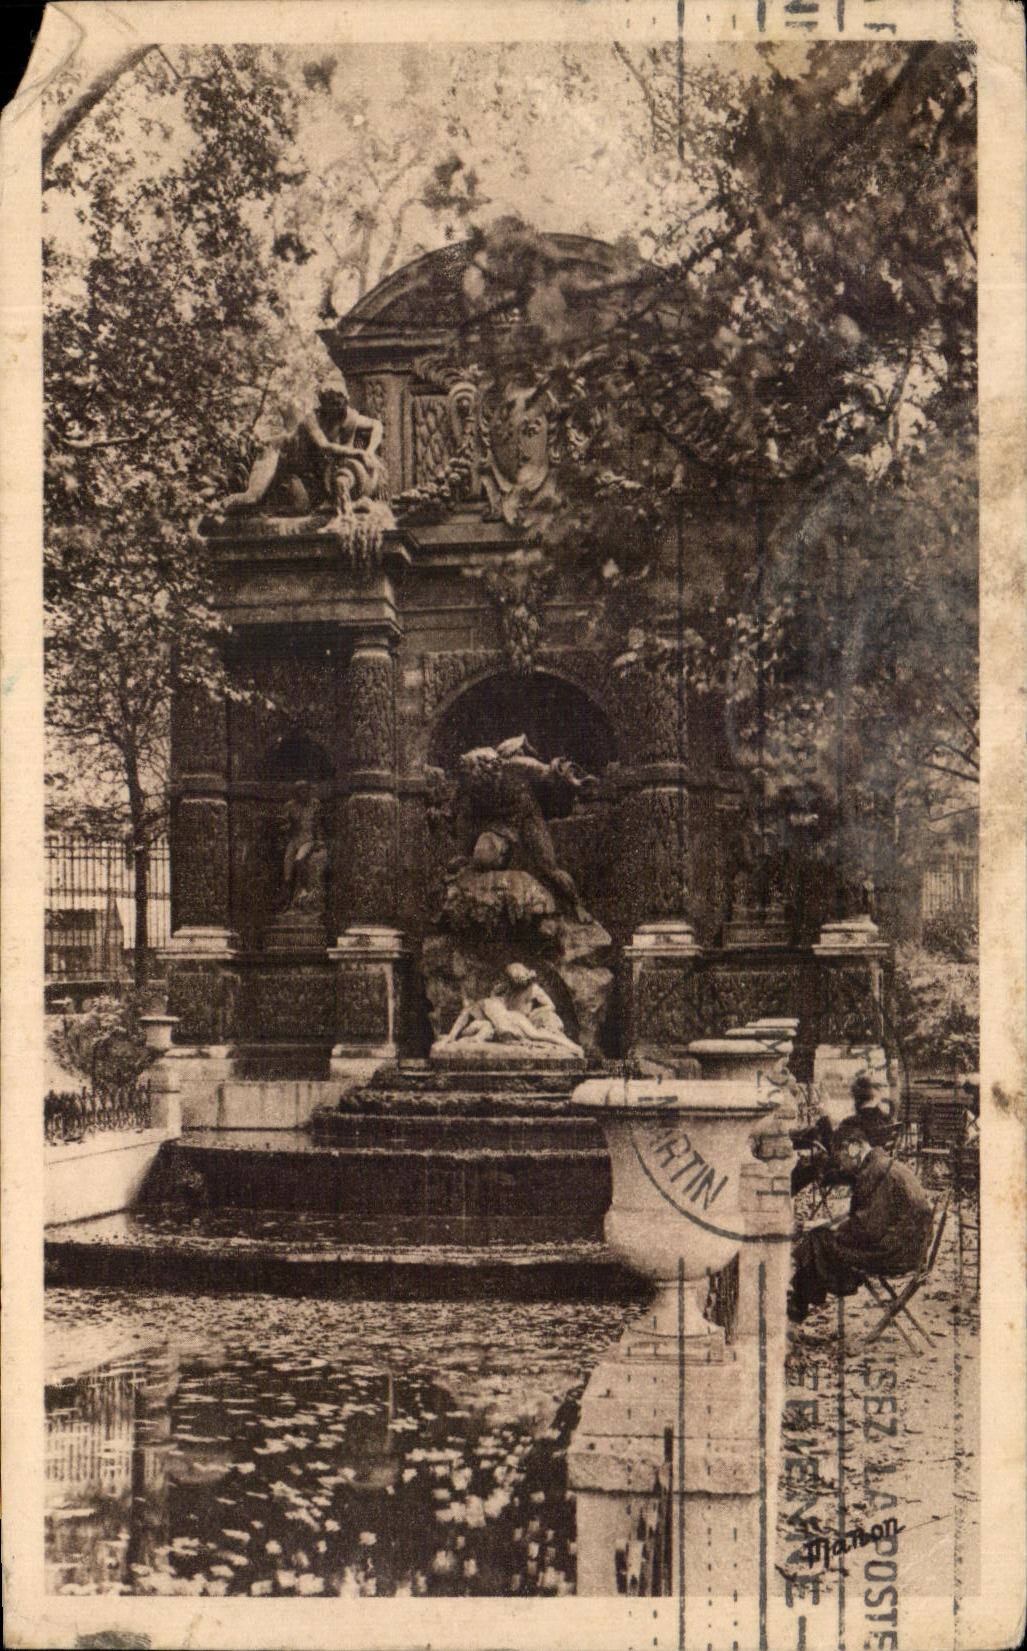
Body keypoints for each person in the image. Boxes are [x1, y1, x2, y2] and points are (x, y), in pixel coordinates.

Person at [788, 1127, 933, 1324]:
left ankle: (797, 1306)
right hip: (907, 1247)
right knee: (821, 1238)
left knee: (818, 1239)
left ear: (854, 1148)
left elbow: (867, 1230)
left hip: (898, 1255)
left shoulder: (874, 1171)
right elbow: (871, 1217)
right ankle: (799, 1301)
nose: (841, 1166)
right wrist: (832, 1224)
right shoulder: (882, 1164)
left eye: (841, 1157)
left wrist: (832, 1229)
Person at [790, 1073, 897, 1197]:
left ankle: (782, 1197)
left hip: (851, 1171)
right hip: (876, 1167)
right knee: (817, 1134)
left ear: (856, 1098)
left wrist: (825, 1123)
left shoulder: (852, 1122)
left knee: (809, 1164)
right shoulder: (885, 1119)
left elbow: (835, 1151)